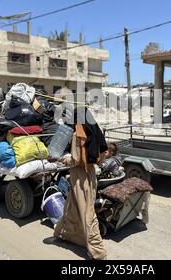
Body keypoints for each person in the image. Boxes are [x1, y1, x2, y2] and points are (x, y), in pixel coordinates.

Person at [54, 108, 108, 260]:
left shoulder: (78, 134)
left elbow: (75, 160)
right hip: (90, 174)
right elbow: (103, 155)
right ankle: (62, 233)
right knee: (71, 206)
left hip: (79, 177)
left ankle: (97, 251)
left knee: (87, 213)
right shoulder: (96, 132)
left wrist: (60, 158)